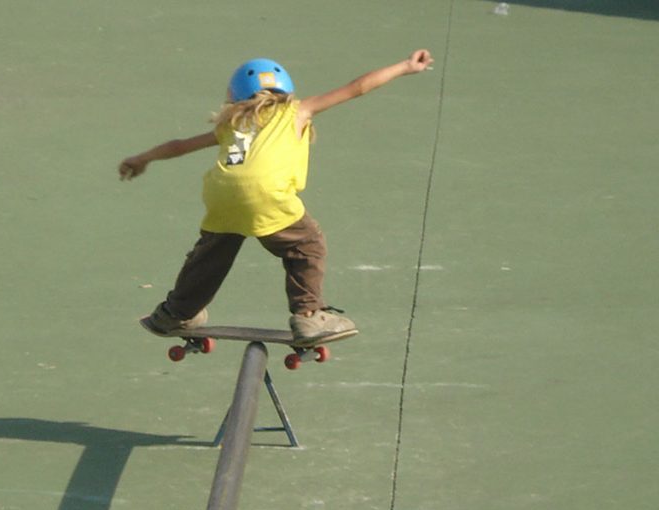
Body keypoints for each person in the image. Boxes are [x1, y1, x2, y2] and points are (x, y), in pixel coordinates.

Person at [119, 49, 434, 343]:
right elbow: (358, 87)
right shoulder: (297, 111)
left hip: (222, 194)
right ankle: (309, 315)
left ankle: (176, 313)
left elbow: (179, 145)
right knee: (306, 244)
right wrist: (405, 66)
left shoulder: (234, 123)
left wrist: (142, 158)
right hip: (266, 194)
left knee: (210, 255)